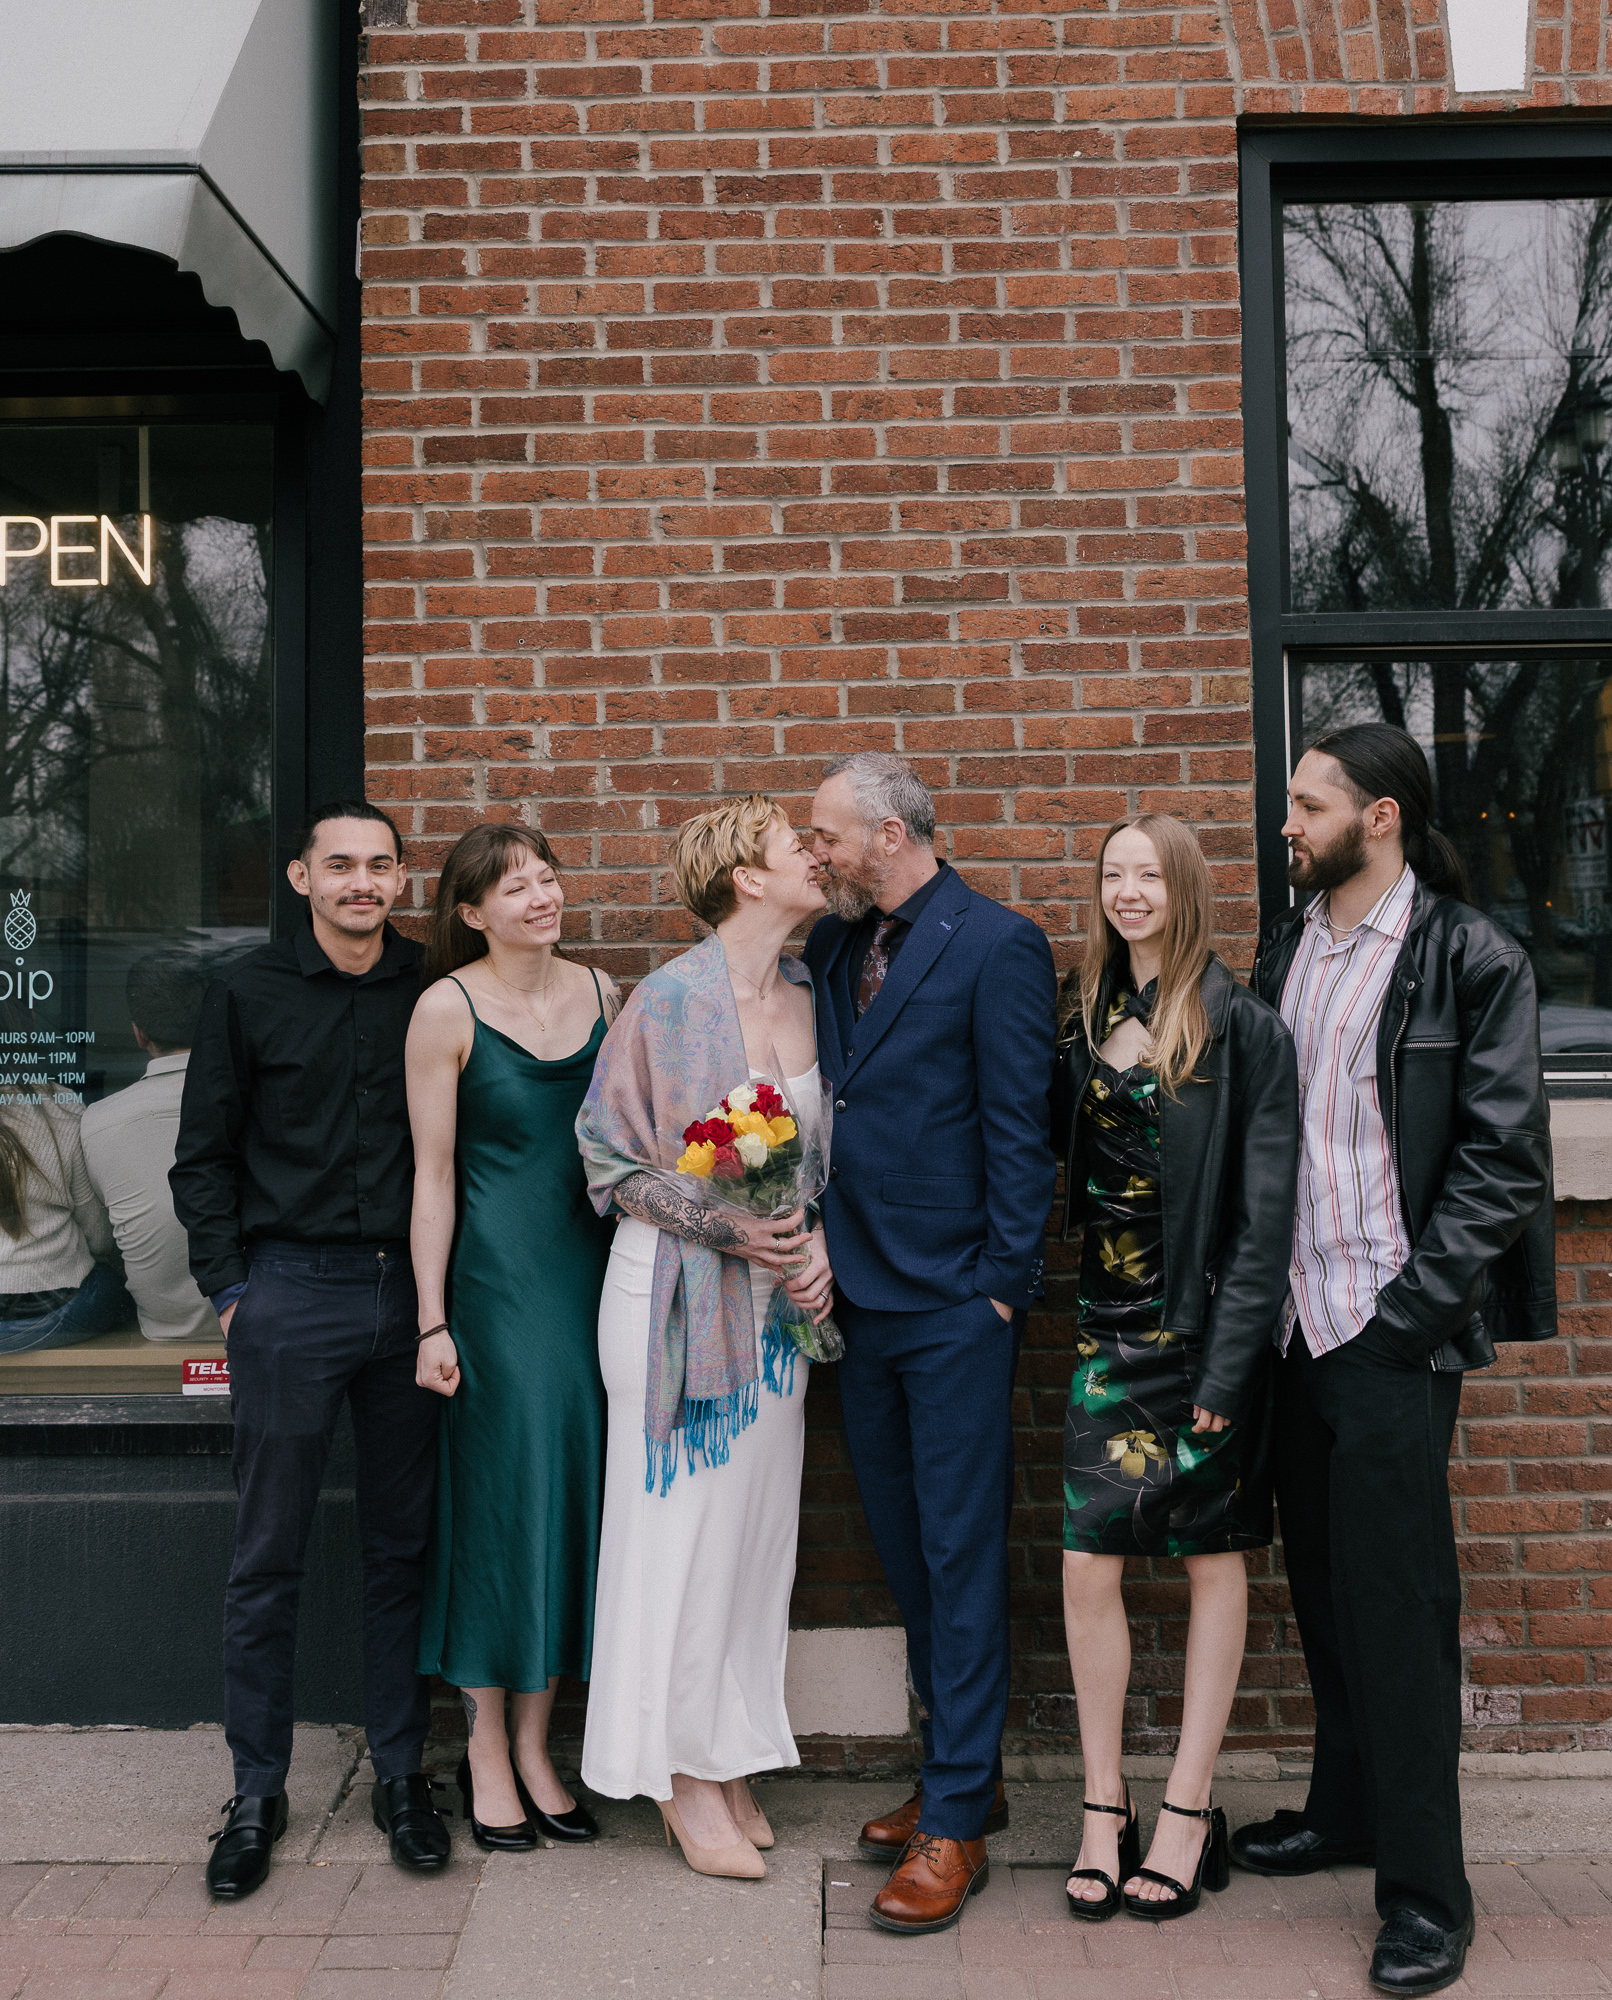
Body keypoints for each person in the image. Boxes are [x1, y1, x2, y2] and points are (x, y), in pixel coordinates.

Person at [1244, 724, 1555, 1998]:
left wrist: (1407, 1316)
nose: (1287, 822)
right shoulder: (1290, 946)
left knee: (1401, 1608)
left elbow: (1501, 1163)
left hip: (1385, 1330)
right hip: (1288, 1327)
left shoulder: (1468, 958)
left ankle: (1428, 1895)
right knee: (1318, 1585)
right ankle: (1346, 1807)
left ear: (1377, 816)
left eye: (1308, 804)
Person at [171, 799, 451, 1901]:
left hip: (409, 1298)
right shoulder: (245, 991)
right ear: (299, 877)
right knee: (267, 1552)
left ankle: (399, 1773)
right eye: (340, 864)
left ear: (398, 879)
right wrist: (235, 1292)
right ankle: (255, 1788)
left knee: (401, 1547)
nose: (362, 882)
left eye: (380, 865)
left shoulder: (433, 988)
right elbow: (203, 1157)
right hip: (287, 1291)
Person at [804, 751, 1057, 1937]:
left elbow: (1021, 1127)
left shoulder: (996, 943)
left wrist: (999, 1288)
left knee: (959, 1556)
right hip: (857, 1300)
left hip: (956, 1306)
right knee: (906, 1548)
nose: (819, 853)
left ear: (890, 834)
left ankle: (956, 1820)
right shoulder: (839, 947)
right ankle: (964, 1770)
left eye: (829, 836)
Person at [575, 794, 834, 1880]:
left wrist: (814, 1246)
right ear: (745, 876)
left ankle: (727, 1752)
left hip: (776, 1315)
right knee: (679, 1541)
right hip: (674, 1306)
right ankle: (678, 1780)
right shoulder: (668, 1003)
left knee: (752, 1542)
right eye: (796, 846)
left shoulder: (812, 992)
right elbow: (608, 1161)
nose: (817, 857)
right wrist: (732, 1225)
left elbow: (818, 1164)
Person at [1051, 815, 1298, 1922]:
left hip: (1202, 1334)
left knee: (1210, 1555)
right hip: (1106, 1331)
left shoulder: (1241, 1024)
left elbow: (1263, 1217)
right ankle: (1106, 1804)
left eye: (1148, 873)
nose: (1128, 890)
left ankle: (1189, 1806)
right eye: (1113, 873)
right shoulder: (1084, 1008)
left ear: (1186, 887)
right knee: (1087, 1560)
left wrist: (1233, 1363)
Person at [407, 823, 618, 1851]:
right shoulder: (444, 1008)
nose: (541, 894)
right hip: (494, 1287)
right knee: (499, 1509)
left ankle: (541, 1743)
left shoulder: (604, 992)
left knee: (574, 1499)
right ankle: (484, 1741)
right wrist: (431, 1317)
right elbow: (433, 1175)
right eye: (514, 885)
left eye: (547, 875)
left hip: (594, 1282)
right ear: (471, 911)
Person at [82, 950, 220, 1345]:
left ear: (138, 1033)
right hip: (258, 1317)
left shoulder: (97, 1121)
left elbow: (103, 1241)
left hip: (165, 1327)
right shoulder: (262, 1104)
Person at [0, 1025, 136, 1355]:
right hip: (53, 1306)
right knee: (120, 1286)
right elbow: (99, 1236)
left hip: (34, 1312)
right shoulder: (60, 1105)